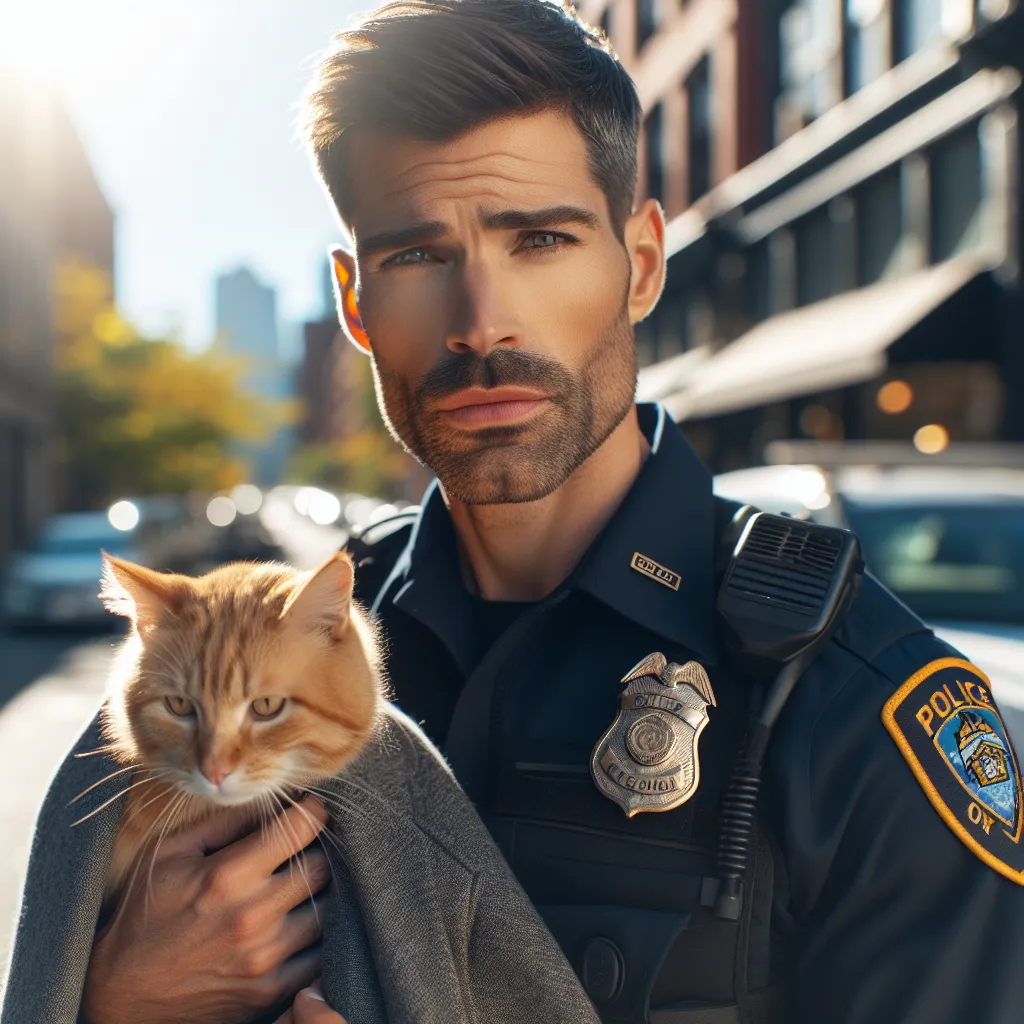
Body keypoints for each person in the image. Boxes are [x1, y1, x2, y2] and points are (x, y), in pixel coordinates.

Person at [81, 2, 1024, 1022]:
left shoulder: (850, 708)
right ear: (355, 304)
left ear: (643, 263)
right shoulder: (297, 643)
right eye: (417, 256)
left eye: (539, 239)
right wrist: (119, 998)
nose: (481, 321)